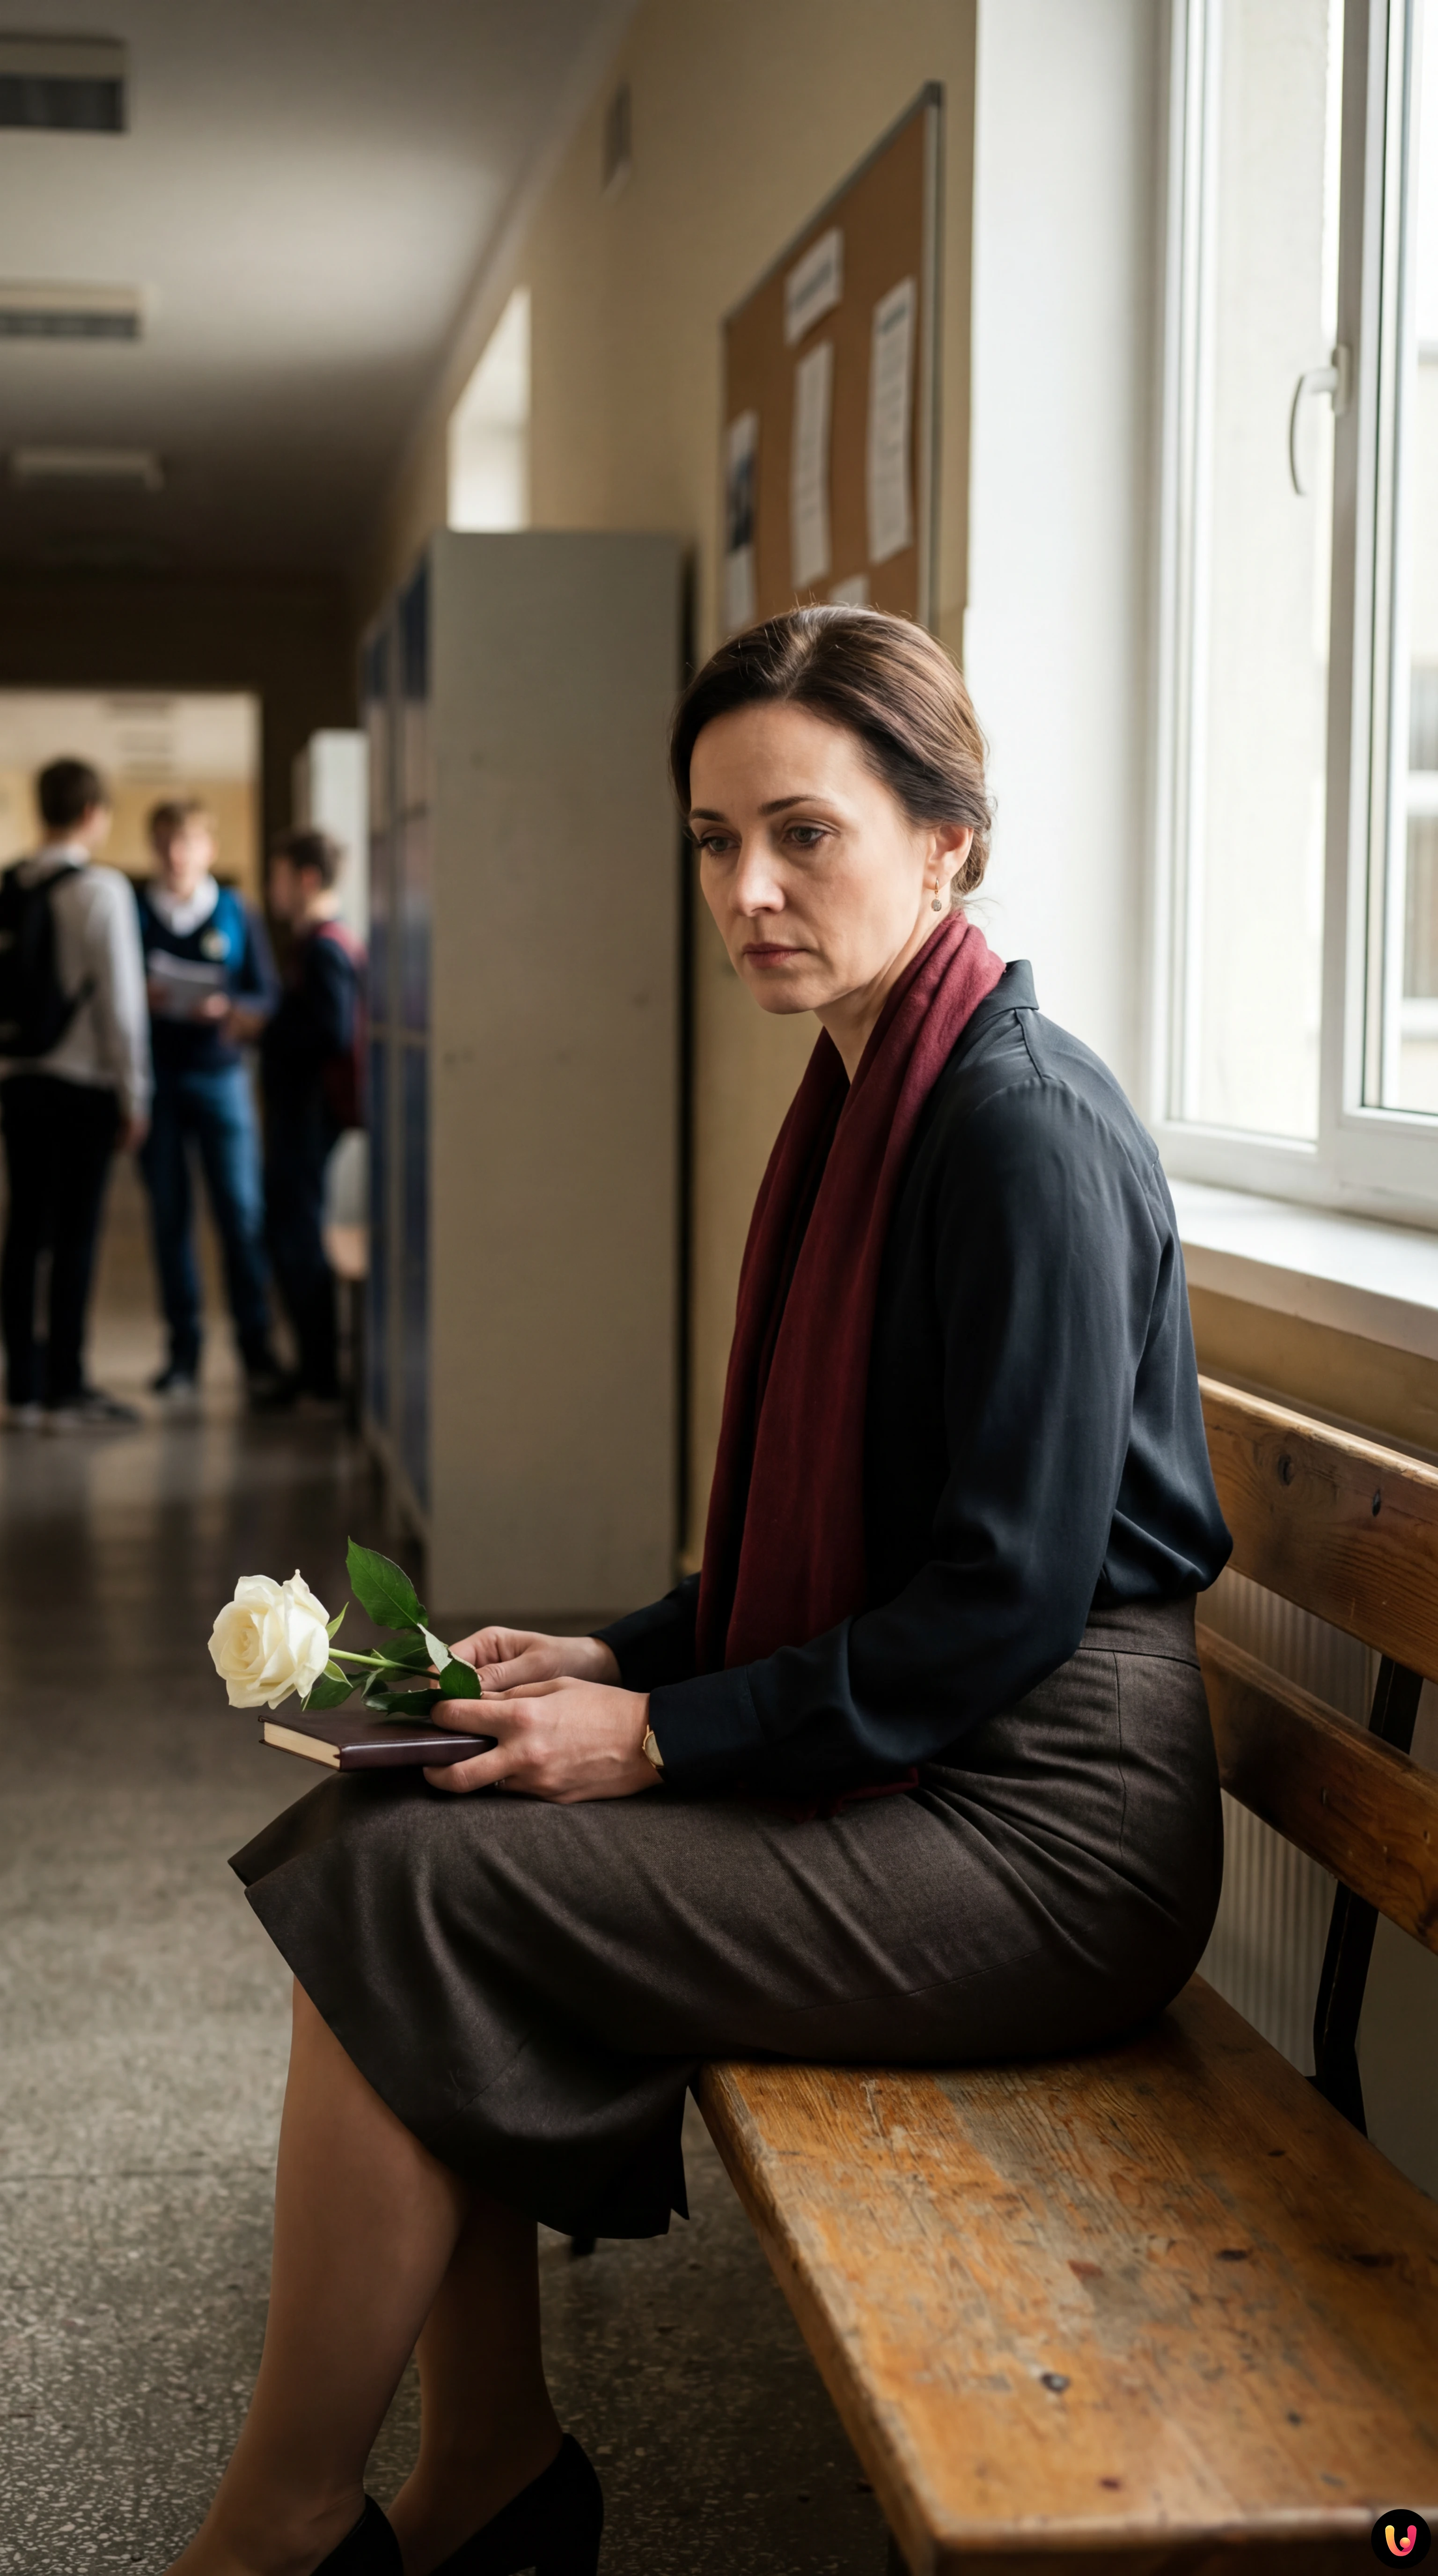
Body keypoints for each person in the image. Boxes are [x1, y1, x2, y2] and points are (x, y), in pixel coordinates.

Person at [174, 610, 1231, 2576]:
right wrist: (618, 1651)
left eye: (802, 833)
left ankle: (292, 2523)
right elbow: (855, 1551)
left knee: (421, 1874)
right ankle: (479, 2464)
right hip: (930, 1755)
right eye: (711, 838)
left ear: (948, 840)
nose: (747, 887)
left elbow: (996, 1599)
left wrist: (659, 1728)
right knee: (411, 1809)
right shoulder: (870, 1090)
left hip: (1042, 1831)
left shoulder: (1013, 1124)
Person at [0, 756, 150, 1431]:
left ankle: (20, 1388)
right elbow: (122, 1005)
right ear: (94, 814)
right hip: (83, 1083)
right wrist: (135, 1094)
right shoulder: (102, 890)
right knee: (76, 1237)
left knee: (23, 1231)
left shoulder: (10, 885)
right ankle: (67, 1385)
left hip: (19, 1079)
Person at [137, 799, 285, 1404]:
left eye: (188, 842)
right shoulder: (135, 912)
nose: (177, 854)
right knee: (169, 1220)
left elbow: (266, 993)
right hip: (159, 1081)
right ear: (155, 848)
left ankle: (256, 1350)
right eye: (167, 842)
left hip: (220, 1078)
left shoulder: (235, 912)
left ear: (208, 850)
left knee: (240, 1216)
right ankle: (183, 1353)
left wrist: (231, 1010)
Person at [261, 828, 364, 1405]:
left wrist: (267, 1030)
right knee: (294, 1232)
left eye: (278, 876)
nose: (273, 890)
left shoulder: (325, 946)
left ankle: (319, 1373)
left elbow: (331, 1029)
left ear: (305, 877)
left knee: (299, 1236)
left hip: (310, 1114)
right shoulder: (320, 942)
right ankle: (314, 1368)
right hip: (305, 1114)